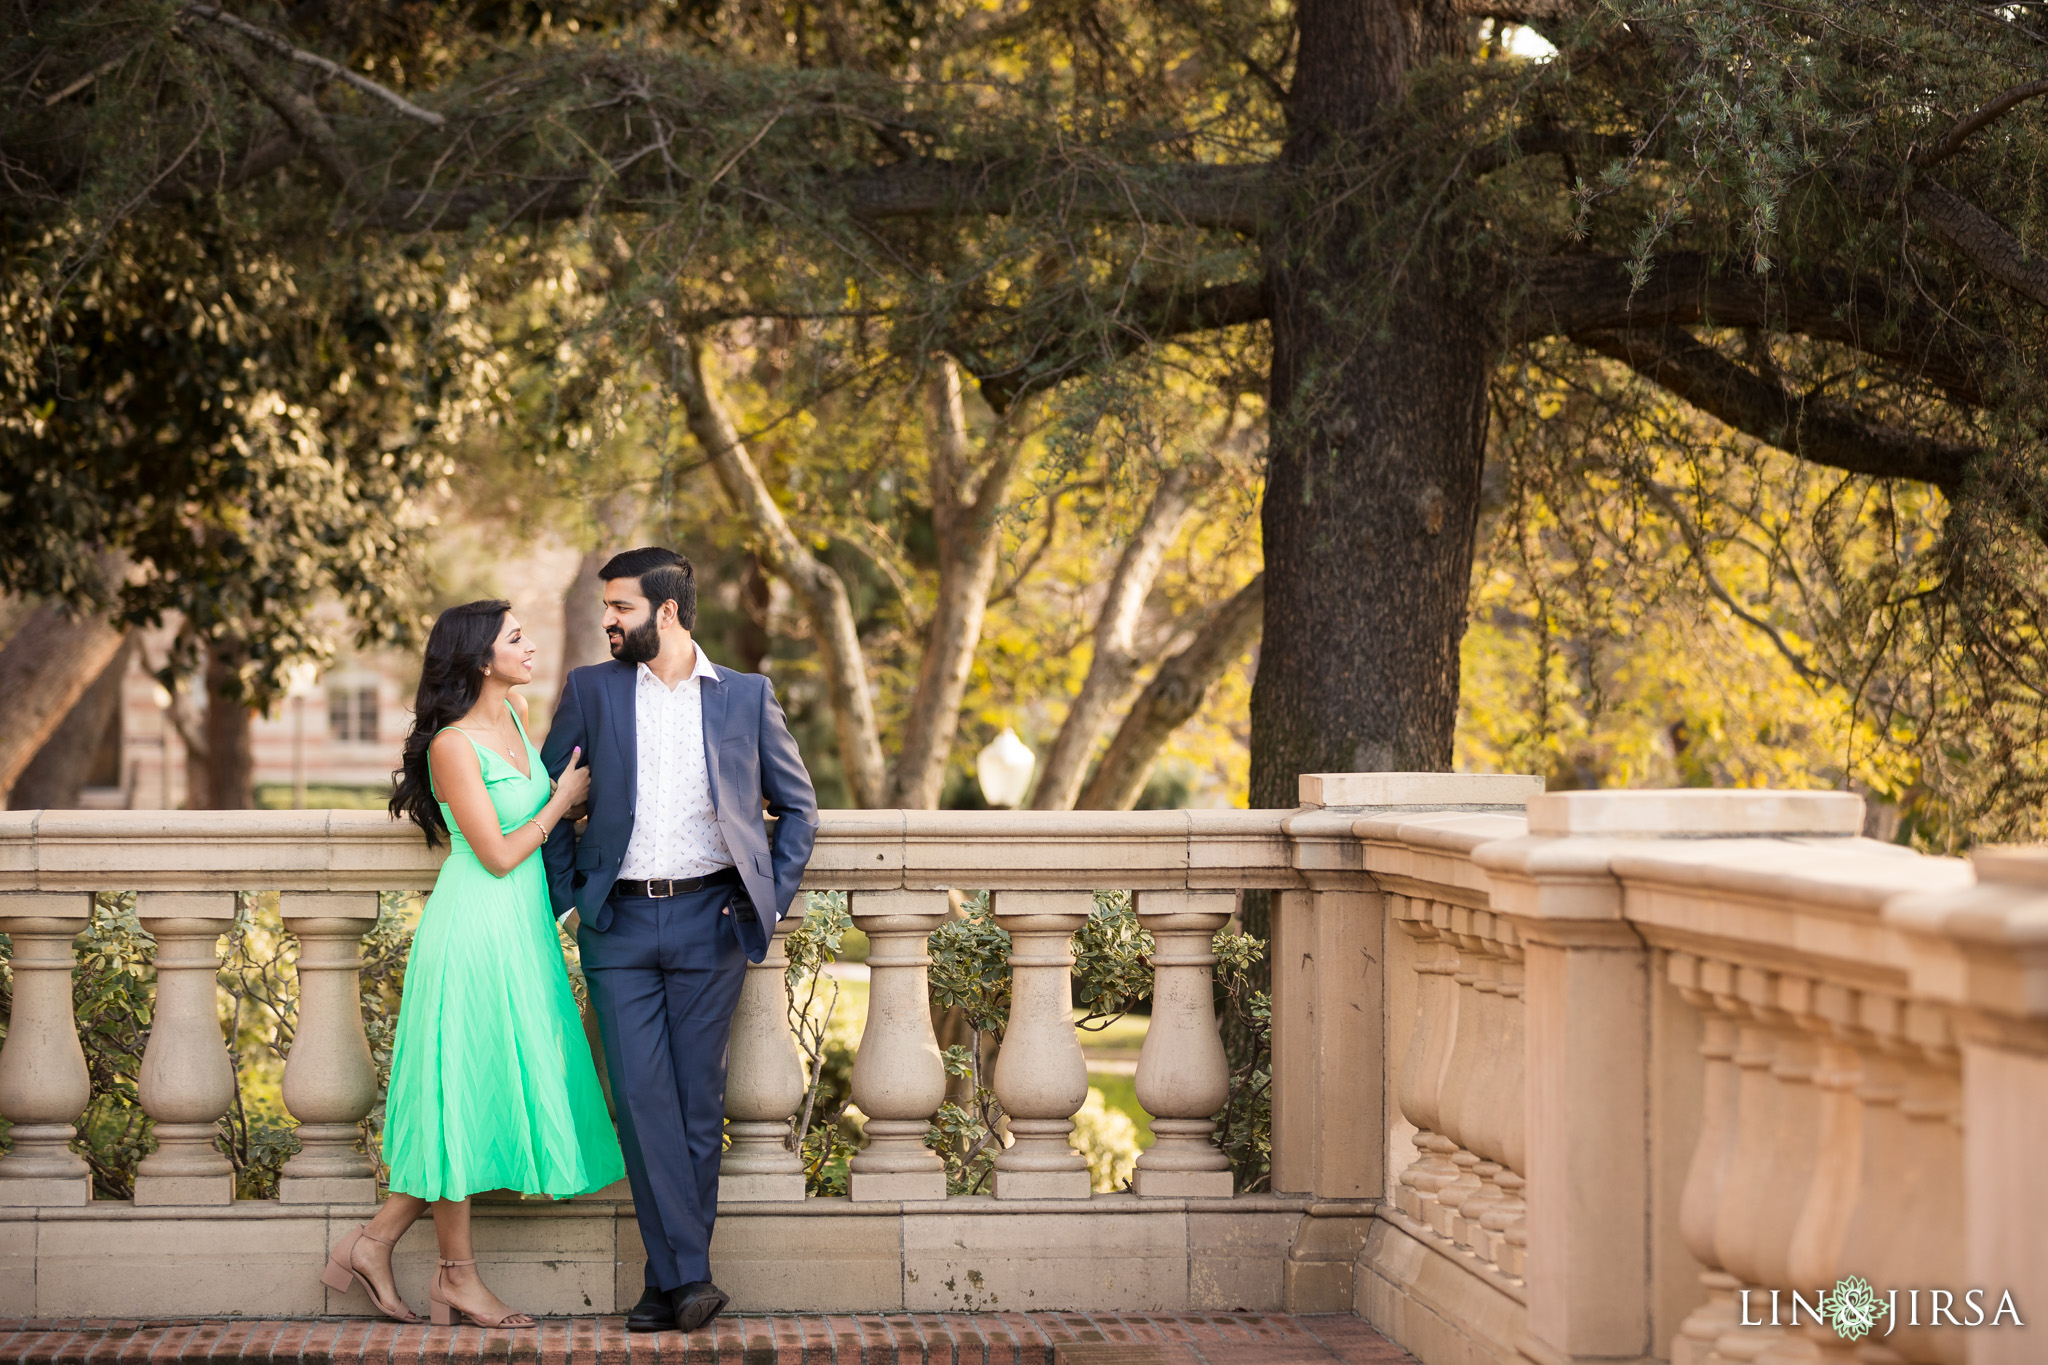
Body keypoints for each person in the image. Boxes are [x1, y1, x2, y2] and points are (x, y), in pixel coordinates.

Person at [321, 599, 624, 1327]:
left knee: (482, 1094)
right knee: (459, 1095)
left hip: (521, 934)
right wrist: (560, 802)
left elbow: (529, 833)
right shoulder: (453, 743)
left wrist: (569, 810)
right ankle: (455, 1276)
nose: (530, 645)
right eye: (515, 637)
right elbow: (494, 852)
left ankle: (374, 1241)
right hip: (471, 932)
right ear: (482, 658)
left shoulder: (516, 721)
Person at [539, 546, 818, 1334]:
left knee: (698, 1104)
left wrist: (761, 897)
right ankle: (689, 1275)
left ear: (666, 611)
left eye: (620, 607)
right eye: (606, 608)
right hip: (618, 924)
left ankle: (670, 1285)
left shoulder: (745, 696)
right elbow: (551, 797)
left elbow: (800, 810)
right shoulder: (591, 689)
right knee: (638, 1098)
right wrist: (575, 898)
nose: (608, 621)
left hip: (712, 921)